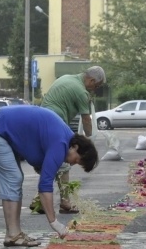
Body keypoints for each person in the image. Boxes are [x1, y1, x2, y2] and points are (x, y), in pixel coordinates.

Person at [0, 105, 99, 247]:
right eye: (76, 160)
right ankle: (13, 234)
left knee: (14, 177)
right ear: (76, 147)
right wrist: (55, 223)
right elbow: (44, 186)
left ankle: (13, 233)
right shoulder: (61, 143)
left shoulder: (64, 138)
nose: (71, 164)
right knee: (13, 178)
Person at [35, 65, 106, 214]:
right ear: (92, 80)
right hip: (54, 124)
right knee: (64, 163)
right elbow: (86, 120)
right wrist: (89, 142)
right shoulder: (81, 91)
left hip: (41, 121)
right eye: (96, 86)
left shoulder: (66, 78)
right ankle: (65, 202)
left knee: (48, 162)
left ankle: (40, 200)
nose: (94, 89)